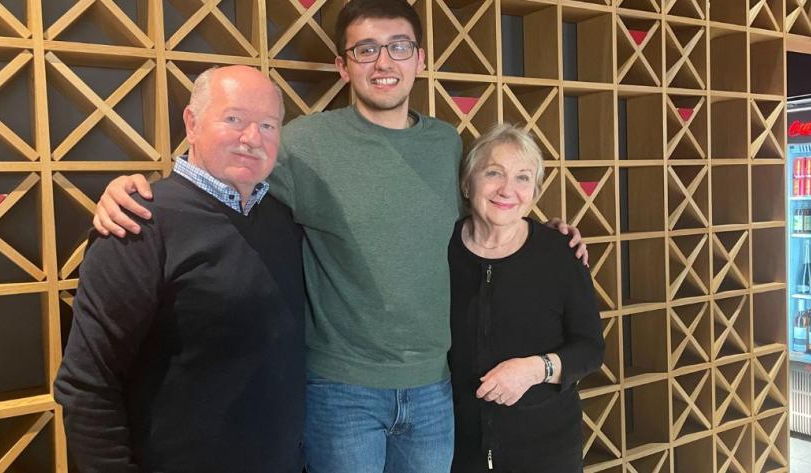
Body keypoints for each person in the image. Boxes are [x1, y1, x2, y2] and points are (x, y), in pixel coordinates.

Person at [90, 1, 587, 472]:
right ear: (343, 66)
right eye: (365, 49)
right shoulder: (305, 144)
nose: (383, 61)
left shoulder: (444, 142)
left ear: (419, 58)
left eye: (398, 46)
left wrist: (546, 233)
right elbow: (224, 178)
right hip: (340, 392)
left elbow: (484, 208)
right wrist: (132, 188)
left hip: (434, 389)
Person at [53, 65, 306, 473]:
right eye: (234, 119)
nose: (252, 138)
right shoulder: (138, 224)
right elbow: (87, 386)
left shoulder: (283, 220)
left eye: (268, 125)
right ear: (192, 122)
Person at [448, 123, 604, 472]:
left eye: (523, 177)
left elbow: (591, 349)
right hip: (456, 450)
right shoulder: (441, 249)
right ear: (466, 182)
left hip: (546, 452)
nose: (507, 189)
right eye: (493, 173)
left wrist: (536, 369)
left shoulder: (560, 253)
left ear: (534, 191)